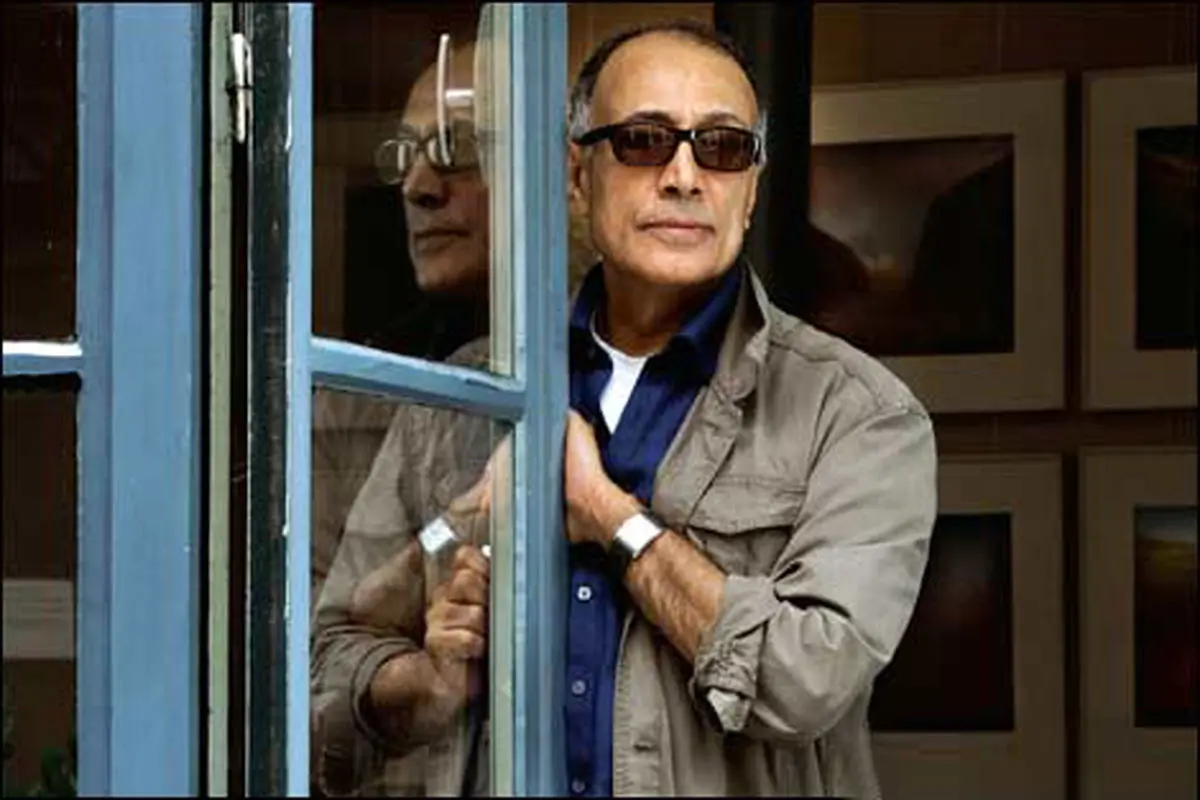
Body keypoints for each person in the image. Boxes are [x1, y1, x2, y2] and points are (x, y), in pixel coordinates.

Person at [313, 18, 938, 798]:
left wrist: (610, 516)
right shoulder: (465, 394)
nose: (684, 176)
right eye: (644, 141)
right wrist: (427, 681)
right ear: (578, 177)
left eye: (723, 148)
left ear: (751, 189)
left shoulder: (858, 414)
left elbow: (806, 679)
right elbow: (322, 683)